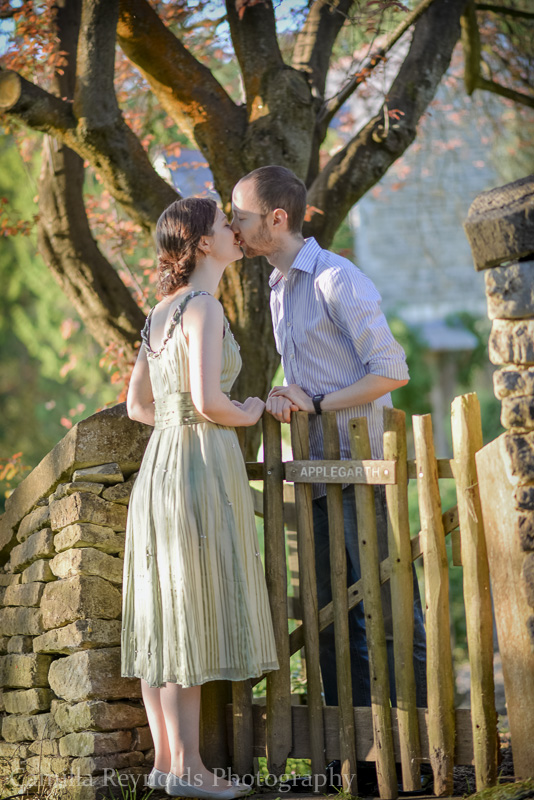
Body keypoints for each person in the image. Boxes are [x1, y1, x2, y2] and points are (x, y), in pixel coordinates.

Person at [230, 165, 427, 715]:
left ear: (276, 218)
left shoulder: (336, 278)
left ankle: (417, 742)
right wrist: (286, 395)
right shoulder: (278, 288)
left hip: (363, 471)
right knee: (331, 620)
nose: (233, 226)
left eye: (240, 216)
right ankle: (352, 750)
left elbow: (391, 370)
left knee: (393, 612)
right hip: (313, 473)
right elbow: (309, 376)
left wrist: (315, 402)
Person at [121, 197, 279, 799]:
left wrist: (177, 423)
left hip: (160, 466)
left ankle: (167, 765)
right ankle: (188, 770)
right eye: (224, 225)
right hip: (199, 467)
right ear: (204, 243)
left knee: (165, 612)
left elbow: (138, 406)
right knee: (187, 610)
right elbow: (211, 402)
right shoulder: (205, 308)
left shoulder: (159, 312)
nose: (236, 231)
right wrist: (251, 410)